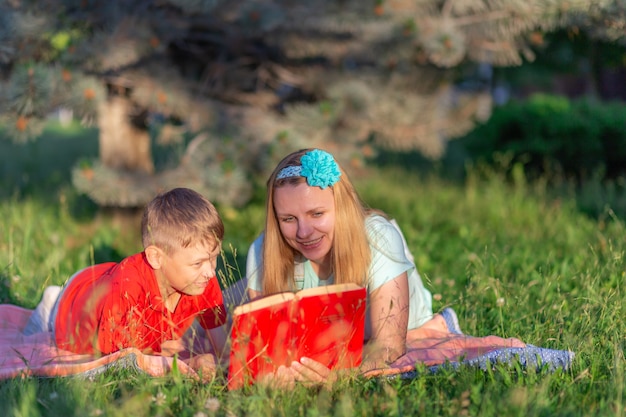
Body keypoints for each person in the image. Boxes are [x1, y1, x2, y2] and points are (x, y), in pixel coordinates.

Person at [246, 148, 458, 385]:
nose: (303, 232)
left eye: (317, 214)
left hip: (404, 324)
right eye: (288, 219)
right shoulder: (263, 250)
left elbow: (389, 346)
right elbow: (265, 351)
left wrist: (342, 378)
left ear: (342, 206)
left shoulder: (378, 239)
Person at [23, 187, 230, 380]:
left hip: (109, 281)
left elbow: (222, 346)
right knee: (59, 318)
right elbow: (121, 362)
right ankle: (51, 305)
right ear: (156, 257)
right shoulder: (128, 290)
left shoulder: (201, 280)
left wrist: (224, 364)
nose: (210, 271)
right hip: (75, 304)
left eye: (214, 258)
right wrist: (187, 365)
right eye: (198, 263)